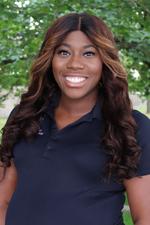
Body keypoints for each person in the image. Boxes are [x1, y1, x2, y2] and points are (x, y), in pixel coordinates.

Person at [0, 12, 150, 225]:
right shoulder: (24, 116)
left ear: (104, 61)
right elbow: (3, 199)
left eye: (89, 54)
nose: (75, 64)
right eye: (63, 52)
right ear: (50, 59)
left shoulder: (131, 127)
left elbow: (145, 218)